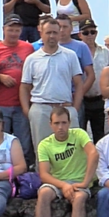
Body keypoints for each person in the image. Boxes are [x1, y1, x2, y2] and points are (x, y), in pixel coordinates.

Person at [20, 18, 84, 157]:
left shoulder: (70, 55)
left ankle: (71, 179)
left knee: (71, 152)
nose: (52, 36)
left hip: (65, 107)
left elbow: (79, 84)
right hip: (40, 109)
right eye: (48, 32)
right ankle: (44, 179)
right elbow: (24, 87)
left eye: (55, 32)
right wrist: (28, 110)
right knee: (42, 152)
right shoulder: (32, 59)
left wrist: (75, 108)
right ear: (41, 33)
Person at [35, 107, 98, 217]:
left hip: (78, 182)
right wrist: (64, 185)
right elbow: (44, 174)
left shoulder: (79, 134)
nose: (60, 127)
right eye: (56, 123)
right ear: (50, 124)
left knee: (79, 199)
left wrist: (85, 182)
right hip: (57, 182)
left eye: (64, 123)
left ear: (69, 123)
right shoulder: (44, 144)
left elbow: (93, 154)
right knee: (43, 193)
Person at [0, 13, 35, 168]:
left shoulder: (28, 48)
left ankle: (25, 178)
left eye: (17, 30)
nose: (14, 33)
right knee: (1, 143)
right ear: (3, 29)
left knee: (24, 145)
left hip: (22, 104)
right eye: (10, 29)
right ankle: (2, 175)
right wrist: (0, 77)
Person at [79, 19, 109, 141]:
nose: (89, 35)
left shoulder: (105, 51)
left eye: (92, 32)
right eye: (86, 32)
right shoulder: (76, 51)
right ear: (80, 35)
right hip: (82, 99)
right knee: (80, 134)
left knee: (100, 134)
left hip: (99, 99)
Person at [56, 13, 96, 105]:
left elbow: (91, 75)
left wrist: (79, 94)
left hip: (73, 96)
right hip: (53, 97)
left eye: (65, 27)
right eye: (59, 26)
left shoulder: (81, 46)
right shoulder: (47, 46)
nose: (62, 30)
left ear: (71, 28)